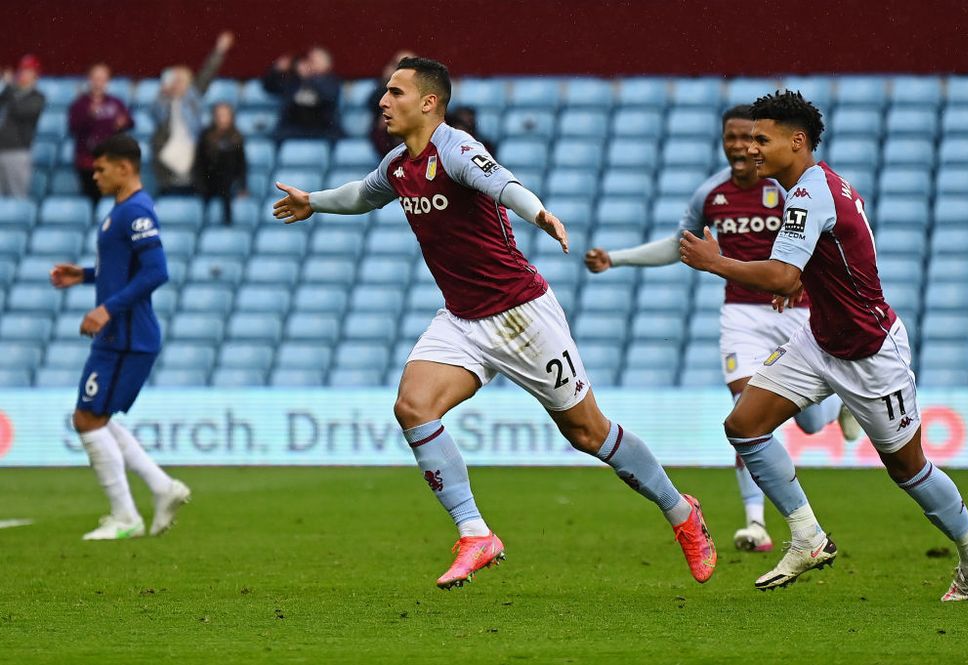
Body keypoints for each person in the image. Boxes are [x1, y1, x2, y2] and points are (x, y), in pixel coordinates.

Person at [272, 56, 716, 589]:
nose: (383, 101)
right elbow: (362, 195)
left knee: (587, 432)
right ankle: (475, 533)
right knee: (413, 406)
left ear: (429, 103)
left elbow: (502, 183)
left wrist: (540, 213)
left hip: (521, 315)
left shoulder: (456, 149)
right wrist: (314, 203)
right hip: (462, 318)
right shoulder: (398, 165)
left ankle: (681, 512)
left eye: (395, 93)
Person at [678, 90, 968, 601]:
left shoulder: (807, 193)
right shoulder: (816, 185)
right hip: (820, 339)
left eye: (763, 138)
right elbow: (827, 257)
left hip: (871, 352)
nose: (751, 148)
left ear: (796, 141)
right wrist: (813, 284)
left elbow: (783, 276)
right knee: (743, 425)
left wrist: (717, 262)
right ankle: (807, 536)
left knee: (908, 469)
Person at [584, 105, 861, 553]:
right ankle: (757, 523)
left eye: (744, 137)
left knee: (810, 426)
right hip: (742, 318)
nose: (737, 146)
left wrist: (800, 278)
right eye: (729, 137)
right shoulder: (710, 194)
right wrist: (617, 258)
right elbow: (682, 246)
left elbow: (823, 242)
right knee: (745, 413)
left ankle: (837, 403)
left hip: (796, 310)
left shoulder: (790, 187)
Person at [49, 134, 190, 541]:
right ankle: (162, 489)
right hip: (122, 335)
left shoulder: (137, 211)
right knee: (96, 417)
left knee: (86, 418)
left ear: (124, 168)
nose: (95, 174)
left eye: (101, 167)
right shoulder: (122, 211)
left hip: (125, 335)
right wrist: (84, 276)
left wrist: (106, 308)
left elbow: (156, 271)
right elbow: (124, 269)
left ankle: (125, 516)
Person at [152, 31, 234, 195]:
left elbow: (207, 73)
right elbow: (155, 114)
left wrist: (219, 50)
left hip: (192, 148)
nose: (178, 85)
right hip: (169, 152)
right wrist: (163, 94)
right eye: (175, 81)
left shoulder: (192, 98)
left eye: (181, 81)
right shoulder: (165, 102)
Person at [68, 62, 134, 205]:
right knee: (91, 200)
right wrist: (89, 116)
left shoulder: (116, 102)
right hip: (87, 162)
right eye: (96, 78)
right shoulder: (80, 104)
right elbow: (72, 128)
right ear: (89, 80)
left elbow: (130, 122)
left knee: (113, 202)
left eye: (102, 79)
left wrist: (123, 123)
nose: (99, 83)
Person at [264, 46, 341, 144]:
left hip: (322, 129)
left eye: (316, 60)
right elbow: (269, 87)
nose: (312, 63)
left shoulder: (332, 82)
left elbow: (328, 96)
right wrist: (277, 70)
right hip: (293, 129)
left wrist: (309, 78)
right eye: (311, 59)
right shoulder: (294, 81)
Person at [193, 102, 246, 225]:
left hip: (228, 182)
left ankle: (228, 223)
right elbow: (199, 163)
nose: (222, 119)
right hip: (208, 181)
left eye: (225, 115)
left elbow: (241, 164)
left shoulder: (237, 137)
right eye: (219, 115)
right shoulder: (206, 136)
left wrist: (243, 186)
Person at [0, 54, 45, 198]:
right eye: (22, 70)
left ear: (35, 75)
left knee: (16, 195)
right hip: (2, 147)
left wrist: (9, 87)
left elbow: (20, 110)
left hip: (18, 151)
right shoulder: (10, 92)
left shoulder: (37, 97)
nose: (23, 74)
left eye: (28, 71)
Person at [368, 50, 415, 157]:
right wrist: (385, 81)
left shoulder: (425, 85)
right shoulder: (385, 85)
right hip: (387, 134)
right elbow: (371, 103)